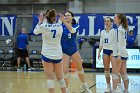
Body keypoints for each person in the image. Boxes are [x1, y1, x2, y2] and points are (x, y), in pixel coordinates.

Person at [33, 9, 66, 93]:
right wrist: (60, 21)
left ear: (46, 18)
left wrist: (40, 21)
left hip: (47, 54)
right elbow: (57, 27)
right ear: (54, 18)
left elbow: (35, 32)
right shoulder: (59, 26)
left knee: (50, 79)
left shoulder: (43, 26)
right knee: (61, 78)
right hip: (57, 54)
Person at [59, 11, 92, 93]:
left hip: (73, 50)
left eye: (68, 15)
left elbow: (72, 31)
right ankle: (66, 89)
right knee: (65, 71)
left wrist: (63, 21)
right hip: (64, 51)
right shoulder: (60, 26)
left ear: (72, 17)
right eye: (65, 15)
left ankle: (84, 85)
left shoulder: (76, 25)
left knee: (80, 68)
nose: (66, 17)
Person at [112, 13, 129, 93]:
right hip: (124, 53)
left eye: (115, 17)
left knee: (115, 73)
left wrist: (118, 55)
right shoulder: (123, 28)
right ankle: (126, 90)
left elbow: (119, 43)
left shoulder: (119, 29)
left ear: (119, 19)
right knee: (123, 73)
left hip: (119, 54)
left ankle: (114, 90)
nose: (114, 18)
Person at [98, 17, 116, 92]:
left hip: (112, 51)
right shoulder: (102, 32)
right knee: (106, 70)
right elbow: (101, 43)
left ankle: (117, 86)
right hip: (105, 51)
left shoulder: (114, 31)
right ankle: (108, 86)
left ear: (111, 23)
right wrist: (99, 52)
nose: (106, 22)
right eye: (105, 21)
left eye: (108, 21)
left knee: (115, 70)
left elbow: (116, 43)